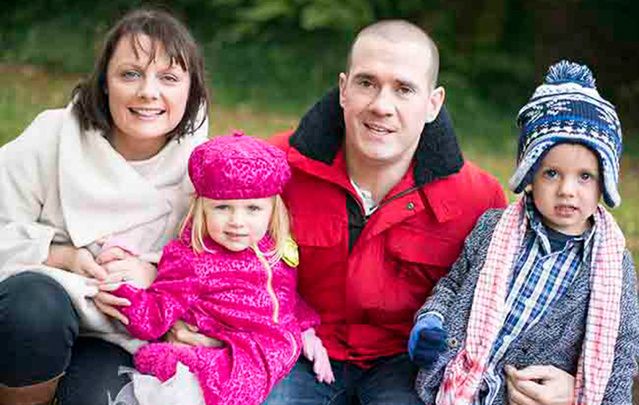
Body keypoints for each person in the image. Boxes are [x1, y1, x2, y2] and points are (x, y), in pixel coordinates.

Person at [261, 20, 507, 404]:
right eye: (366, 83)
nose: (381, 106)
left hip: (405, 365)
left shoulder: (480, 200)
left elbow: (505, 306)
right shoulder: (274, 166)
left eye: (404, 89)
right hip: (301, 346)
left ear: (433, 103)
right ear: (343, 89)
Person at [0, 8, 209, 405]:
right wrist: (62, 257)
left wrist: (156, 273)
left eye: (168, 78)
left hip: (124, 333)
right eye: (130, 74)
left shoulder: (203, 165)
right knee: (32, 307)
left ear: (191, 90)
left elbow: (226, 260)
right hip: (36, 311)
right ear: (105, 83)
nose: (148, 92)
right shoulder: (53, 135)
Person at [409, 60, 639, 405]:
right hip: (457, 388)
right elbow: (454, 283)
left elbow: (621, 349)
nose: (567, 190)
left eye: (585, 177)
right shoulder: (493, 228)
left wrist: (579, 392)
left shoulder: (612, 267)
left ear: (604, 182)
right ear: (529, 176)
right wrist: (431, 319)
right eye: (551, 174)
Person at [105, 132, 333, 405]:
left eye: (252, 208)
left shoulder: (273, 248)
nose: (237, 221)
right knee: (207, 389)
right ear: (202, 209)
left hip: (271, 354)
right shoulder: (192, 260)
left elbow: (285, 296)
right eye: (222, 207)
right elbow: (157, 313)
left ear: (273, 210)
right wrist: (124, 293)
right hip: (228, 355)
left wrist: (307, 331)